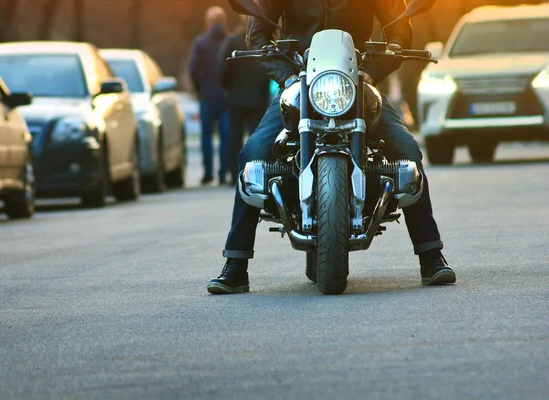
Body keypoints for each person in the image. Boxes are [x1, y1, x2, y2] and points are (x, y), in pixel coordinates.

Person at [207, 0, 457, 294]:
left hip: (357, 81)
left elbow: (399, 27)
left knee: (407, 151)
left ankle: (430, 256)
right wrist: (285, 74)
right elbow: (259, 33)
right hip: (299, 81)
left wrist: (371, 71)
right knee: (253, 153)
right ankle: (236, 265)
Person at [217, 15, 271, 182]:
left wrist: (229, 89)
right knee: (257, 138)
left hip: (236, 98)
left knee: (234, 136)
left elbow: (221, 69)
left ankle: (235, 173)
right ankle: (257, 176)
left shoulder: (232, 42)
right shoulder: (263, 42)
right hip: (258, 98)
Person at [189, 7, 231, 185]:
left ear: (208, 23)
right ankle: (223, 173)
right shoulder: (229, 42)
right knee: (225, 136)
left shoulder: (200, 43)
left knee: (206, 135)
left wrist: (198, 89)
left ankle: (207, 173)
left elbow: (193, 69)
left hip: (206, 95)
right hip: (226, 97)